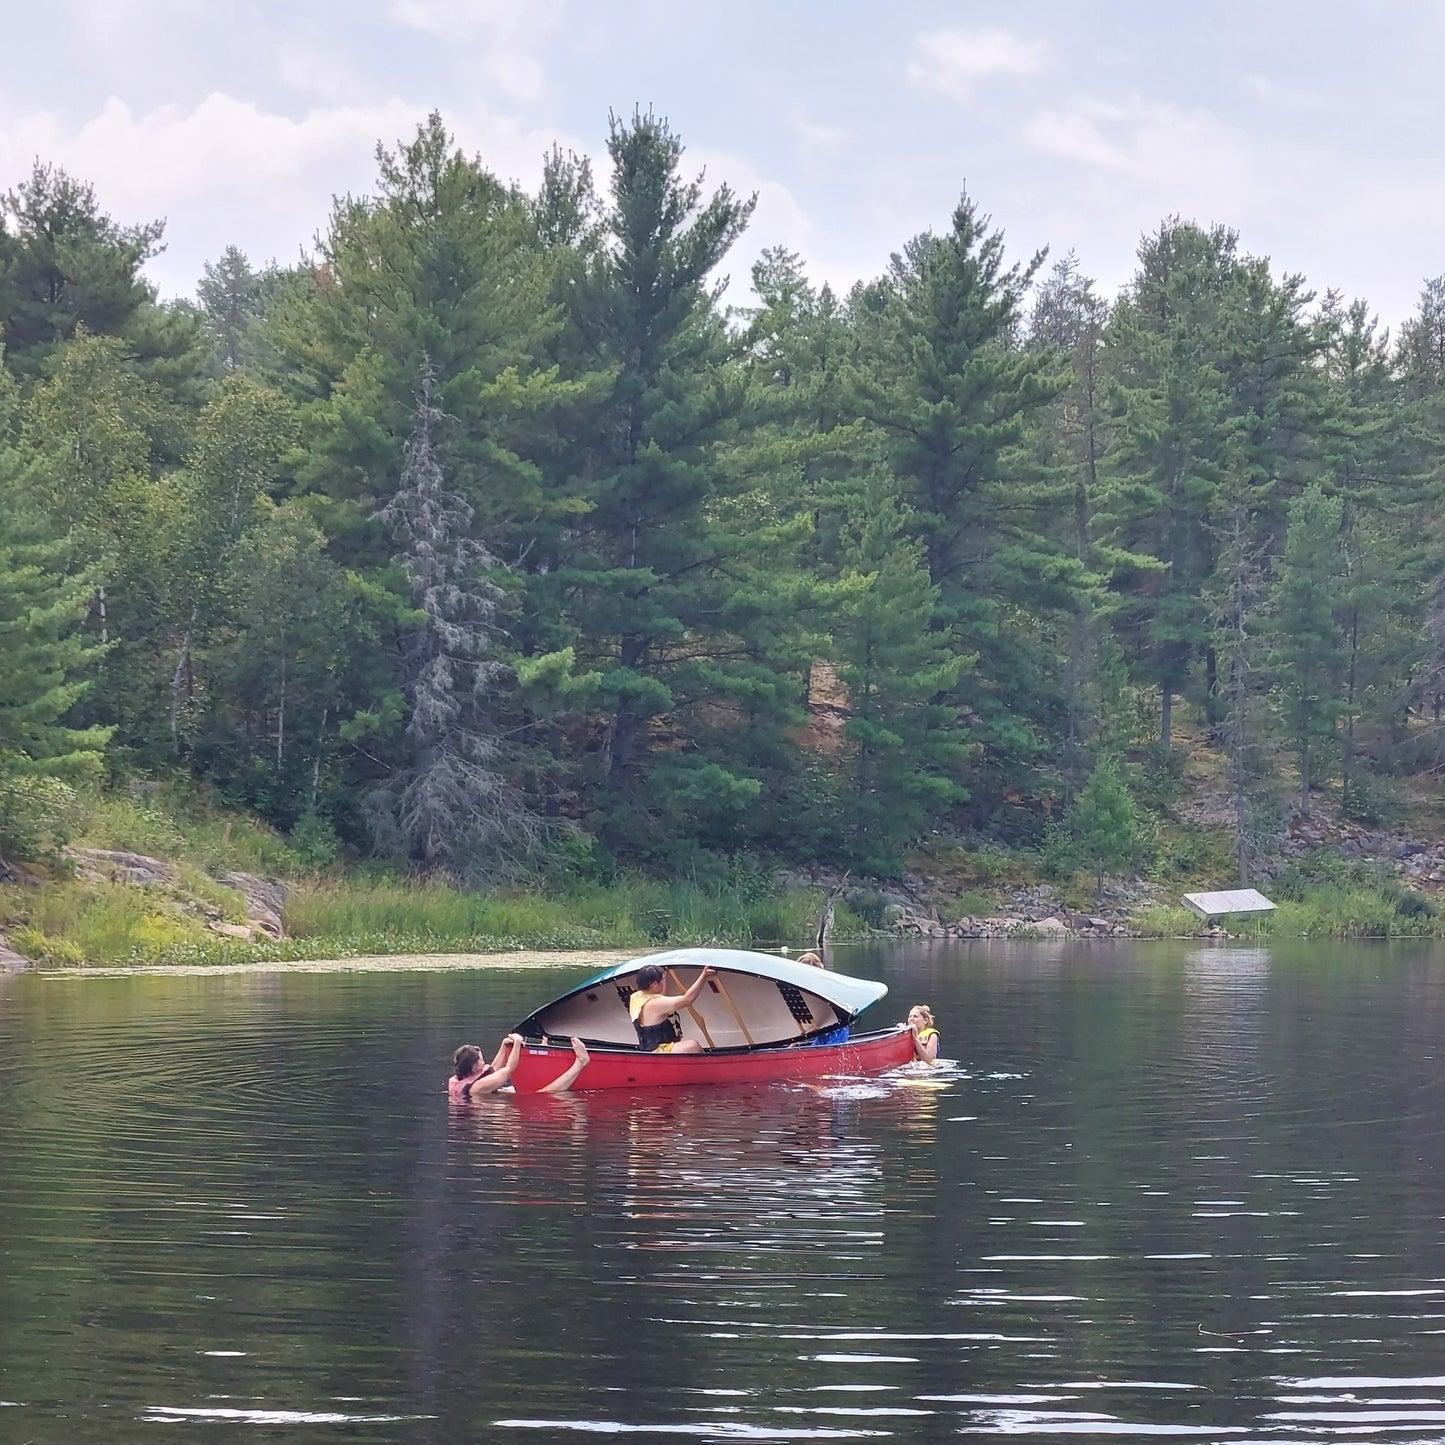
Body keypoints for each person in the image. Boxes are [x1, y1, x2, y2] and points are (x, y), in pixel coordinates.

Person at [449, 1034, 590, 1097]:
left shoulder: (463, 1076)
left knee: (516, 1089)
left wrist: (504, 1046)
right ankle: (580, 1062)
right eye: (480, 1060)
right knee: (541, 1095)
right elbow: (509, 1069)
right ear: (473, 1067)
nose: (483, 1062)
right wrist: (517, 1043)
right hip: (494, 1107)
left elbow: (492, 1070)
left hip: (494, 1098)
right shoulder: (477, 1087)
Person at [628, 962, 716, 1053]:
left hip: (648, 1047)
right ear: (654, 984)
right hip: (658, 1051)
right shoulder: (654, 1004)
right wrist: (704, 975)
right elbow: (687, 1000)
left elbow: (661, 997)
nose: (663, 981)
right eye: (661, 980)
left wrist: (664, 977)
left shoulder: (636, 996)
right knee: (693, 1045)